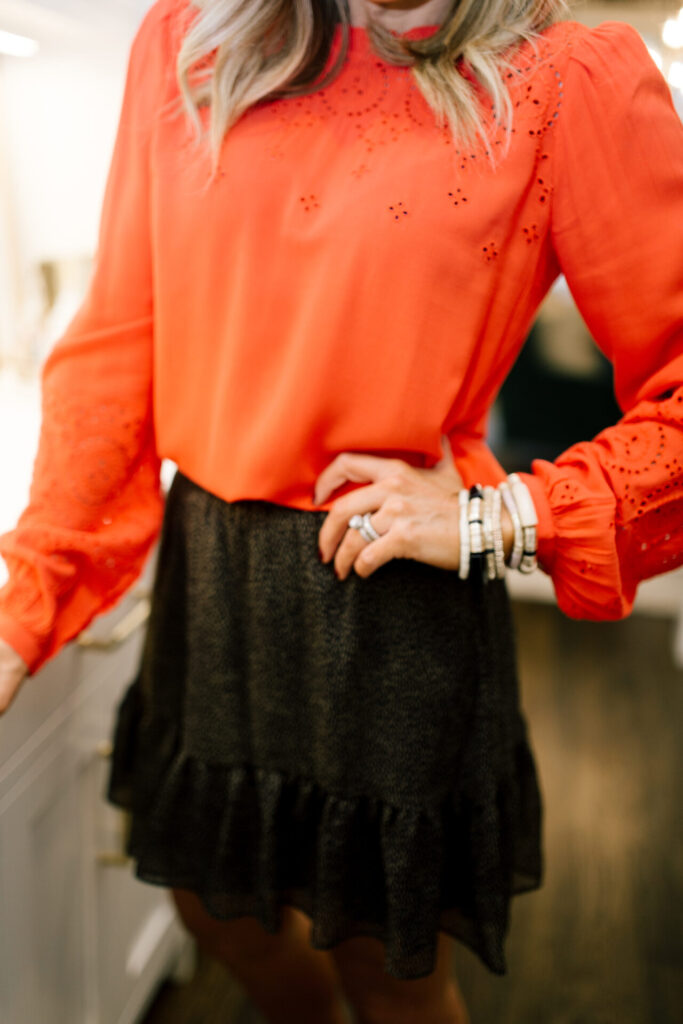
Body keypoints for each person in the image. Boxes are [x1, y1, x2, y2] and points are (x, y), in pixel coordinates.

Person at [0, 0, 681, 1021]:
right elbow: (117, 346)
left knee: (386, 965)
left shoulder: (565, 74)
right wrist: (28, 597)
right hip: (214, 573)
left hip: (387, 587)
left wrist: (502, 515)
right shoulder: (189, 36)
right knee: (217, 911)